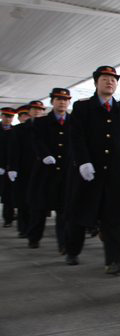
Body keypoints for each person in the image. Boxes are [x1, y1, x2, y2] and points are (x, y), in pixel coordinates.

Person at [65, 66, 120, 274]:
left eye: (113, 79)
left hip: (114, 173)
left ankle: (114, 260)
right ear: (96, 83)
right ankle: (72, 250)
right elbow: (76, 137)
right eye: (105, 78)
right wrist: (82, 161)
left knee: (113, 218)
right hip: (87, 171)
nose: (109, 82)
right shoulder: (83, 108)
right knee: (80, 214)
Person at [27, 89, 71, 252]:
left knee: (63, 210)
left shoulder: (73, 121)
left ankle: (63, 244)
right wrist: (44, 155)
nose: (62, 102)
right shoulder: (41, 122)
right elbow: (36, 140)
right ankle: (34, 237)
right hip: (45, 172)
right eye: (59, 99)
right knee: (39, 207)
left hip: (65, 172)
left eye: (65, 100)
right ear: (52, 102)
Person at [8, 102, 45, 241]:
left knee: (37, 201)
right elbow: (14, 150)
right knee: (23, 200)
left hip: (42, 169)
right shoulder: (19, 129)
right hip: (25, 169)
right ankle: (23, 228)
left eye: (40, 110)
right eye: (34, 109)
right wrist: (12, 168)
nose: (37, 112)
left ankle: (33, 230)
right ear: (29, 111)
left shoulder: (46, 127)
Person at [0, 107, 17, 228]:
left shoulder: (15, 131)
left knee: (8, 193)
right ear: (1, 116)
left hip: (9, 166)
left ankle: (8, 218)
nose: (8, 119)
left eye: (10, 117)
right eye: (6, 116)